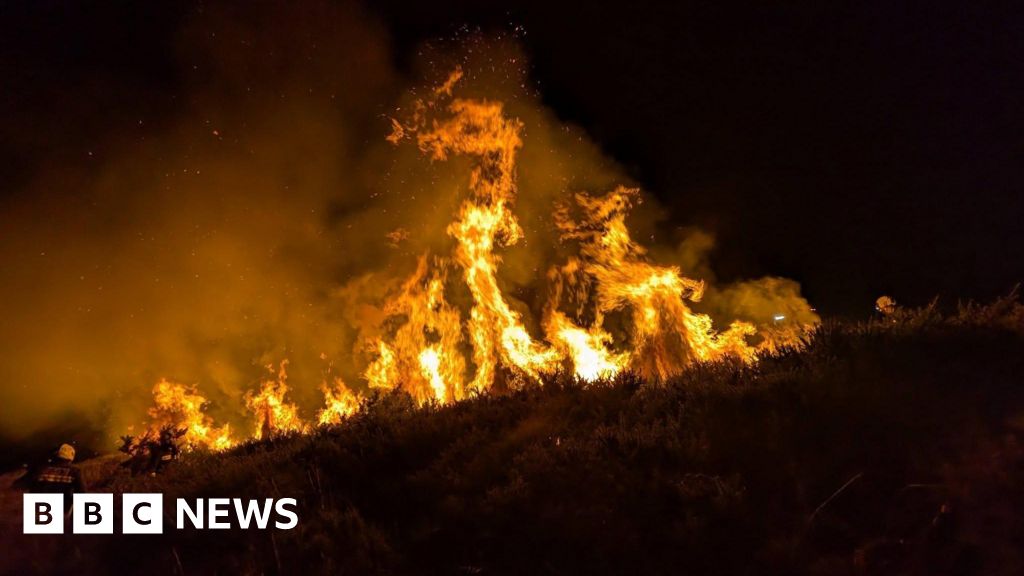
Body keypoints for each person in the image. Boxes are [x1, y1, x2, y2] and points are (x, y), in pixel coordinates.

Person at [31, 443, 85, 511]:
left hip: (41, 509)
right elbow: (81, 492)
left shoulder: (42, 469)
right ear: (71, 458)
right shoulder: (74, 471)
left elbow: (33, 490)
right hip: (63, 509)